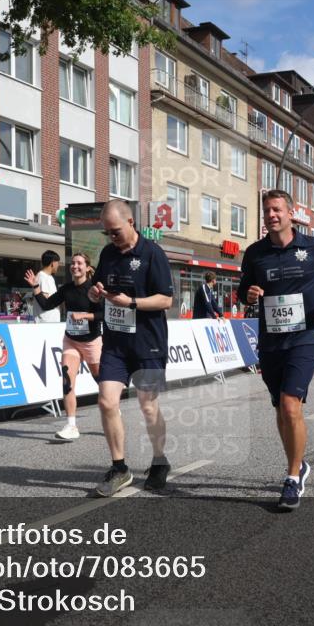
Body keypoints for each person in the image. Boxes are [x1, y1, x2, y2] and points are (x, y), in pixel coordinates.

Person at [239, 189, 314, 510]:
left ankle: (291, 477)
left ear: (291, 213)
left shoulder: (313, 246)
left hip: (307, 334)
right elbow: (244, 286)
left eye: (277, 210)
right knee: (280, 409)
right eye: (267, 211)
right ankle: (298, 465)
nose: (271, 215)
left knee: (290, 405)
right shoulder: (255, 252)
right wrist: (250, 293)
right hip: (271, 339)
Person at [87, 200, 175, 496]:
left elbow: (166, 300)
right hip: (115, 344)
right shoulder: (108, 253)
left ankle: (159, 461)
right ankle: (120, 467)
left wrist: (132, 303)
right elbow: (96, 288)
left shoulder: (152, 253)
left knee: (148, 406)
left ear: (130, 223)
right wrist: (95, 292)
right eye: (107, 233)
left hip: (148, 344)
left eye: (115, 231)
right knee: (107, 402)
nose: (111, 237)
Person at [24, 253, 103, 441]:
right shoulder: (66, 289)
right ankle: (71, 425)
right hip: (71, 341)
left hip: (91, 342)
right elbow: (46, 304)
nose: (75, 266)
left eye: (79, 263)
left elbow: (103, 315)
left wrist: (85, 316)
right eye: (73, 263)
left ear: (87, 267)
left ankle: (112, 408)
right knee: (67, 382)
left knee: (102, 382)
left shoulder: (94, 290)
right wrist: (35, 286)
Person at [30, 250, 62, 323]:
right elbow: (45, 300)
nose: (58, 265)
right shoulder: (42, 277)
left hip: (50, 322)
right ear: (53, 263)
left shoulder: (49, 277)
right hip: (45, 322)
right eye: (58, 262)